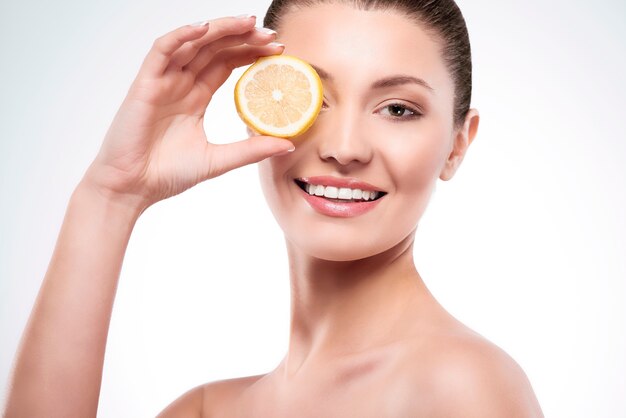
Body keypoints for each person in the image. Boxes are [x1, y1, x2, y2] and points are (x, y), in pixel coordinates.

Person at [3, 0, 544, 416]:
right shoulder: (207, 409)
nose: (345, 147)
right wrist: (110, 196)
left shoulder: (462, 387)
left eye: (397, 108)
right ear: (261, 103)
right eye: (314, 93)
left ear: (457, 144)